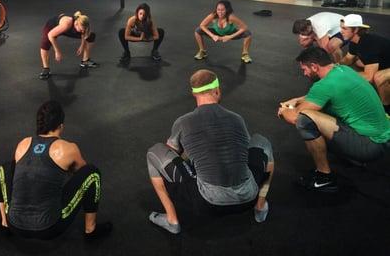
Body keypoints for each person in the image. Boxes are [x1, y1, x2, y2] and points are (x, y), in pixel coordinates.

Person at [146, 69, 274, 234]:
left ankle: (172, 221)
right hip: (249, 196)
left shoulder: (182, 122)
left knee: (154, 152)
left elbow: (172, 152)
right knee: (263, 142)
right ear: (217, 90)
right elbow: (244, 149)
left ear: (194, 94)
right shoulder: (237, 119)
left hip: (207, 202)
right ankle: (260, 207)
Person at [0, 100, 112, 240]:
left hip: (14, 223)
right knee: (92, 173)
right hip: (49, 228)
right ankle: (90, 230)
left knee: (5, 168)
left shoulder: (23, 144)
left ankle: (4, 224)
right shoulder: (67, 148)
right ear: (61, 126)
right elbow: (82, 172)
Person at [278, 47, 390, 192]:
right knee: (322, 109)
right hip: (383, 139)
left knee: (305, 120)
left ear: (314, 66)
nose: (304, 73)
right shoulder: (342, 70)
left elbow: (295, 117)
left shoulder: (324, 85)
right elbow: (319, 96)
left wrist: (284, 111)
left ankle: (324, 178)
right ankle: (352, 157)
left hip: (370, 147)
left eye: (304, 69)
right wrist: (296, 100)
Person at [339, 14, 390, 114]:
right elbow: (348, 59)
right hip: (386, 63)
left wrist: (343, 77)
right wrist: (334, 67)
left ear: (356, 30)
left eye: (345, 28)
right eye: (341, 28)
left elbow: (368, 77)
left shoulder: (368, 44)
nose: (341, 31)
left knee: (378, 77)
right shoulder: (354, 41)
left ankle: (386, 110)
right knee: (359, 62)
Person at [39, 11, 98, 80]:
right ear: (76, 24)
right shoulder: (67, 24)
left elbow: (84, 34)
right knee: (45, 44)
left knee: (91, 36)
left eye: (83, 30)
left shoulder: (80, 23)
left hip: (66, 29)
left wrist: (82, 46)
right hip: (52, 27)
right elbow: (51, 35)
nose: (82, 31)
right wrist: (57, 51)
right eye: (81, 30)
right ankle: (46, 69)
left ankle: (85, 61)